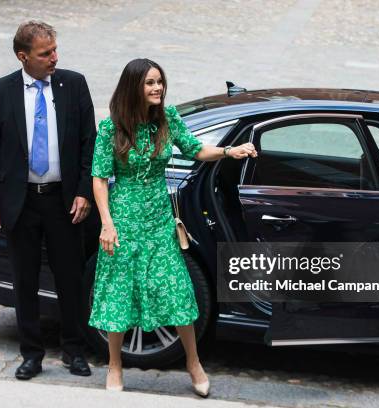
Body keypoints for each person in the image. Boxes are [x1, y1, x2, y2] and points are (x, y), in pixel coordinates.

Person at [88, 58, 257, 396]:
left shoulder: (167, 119)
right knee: (120, 292)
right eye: (150, 83)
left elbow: (195, 150)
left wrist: (229, 150)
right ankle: (115, 365)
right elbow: (99, 178)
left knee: (177, 289)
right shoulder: (112, 127)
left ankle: (194, 364)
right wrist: (107, 223)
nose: (157, 88)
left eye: (160, 82)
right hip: (122, 218)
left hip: (158, 219)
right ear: (134, 87)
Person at [0, 21, 96, 380]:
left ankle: (74, 351)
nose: (54, 58)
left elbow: (89, 143)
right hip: (21, 201)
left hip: (63, 200)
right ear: (22, 56)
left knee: (70, 278)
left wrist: (83, 191)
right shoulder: (0, 92)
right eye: (46, 54)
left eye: (55, 50)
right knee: (24, 280)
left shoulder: (73, 84)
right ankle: (31, 354)